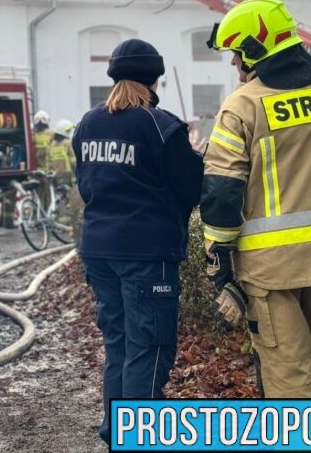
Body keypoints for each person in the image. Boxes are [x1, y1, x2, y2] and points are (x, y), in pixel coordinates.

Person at [200, 0, 311, 398]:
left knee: (289, 375)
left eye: (237, 53)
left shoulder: (242, 105)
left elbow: (222, 191)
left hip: (272, 271)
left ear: (254, 49)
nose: (234, 64)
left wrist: (218, 264)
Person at [71, 38, 203, 444]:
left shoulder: (87, 124)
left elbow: (87, 184)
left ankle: (117, 431)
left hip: (98, 251)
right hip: (147, 254)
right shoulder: (161, 126)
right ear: (155, 78)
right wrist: (197, 155)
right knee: (149, 348)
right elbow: (192, 188)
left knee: (120, 345)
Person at [47, 118, 76, 186]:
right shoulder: (68, 143)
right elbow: (73, 162)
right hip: (69, 178)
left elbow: (49, 164)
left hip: (56, 178)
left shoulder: (51, 145)